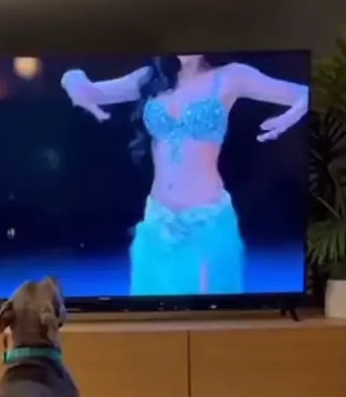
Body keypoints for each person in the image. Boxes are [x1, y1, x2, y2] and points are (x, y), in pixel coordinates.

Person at [60, 55, 308, 295]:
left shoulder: (231, 76)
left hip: (207, 224)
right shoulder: (150, 78)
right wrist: (71, 79)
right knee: (151, 313)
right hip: (157, 223)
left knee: (207, 315)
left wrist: (288, 118)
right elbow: (88, 90)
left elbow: (304, 94)